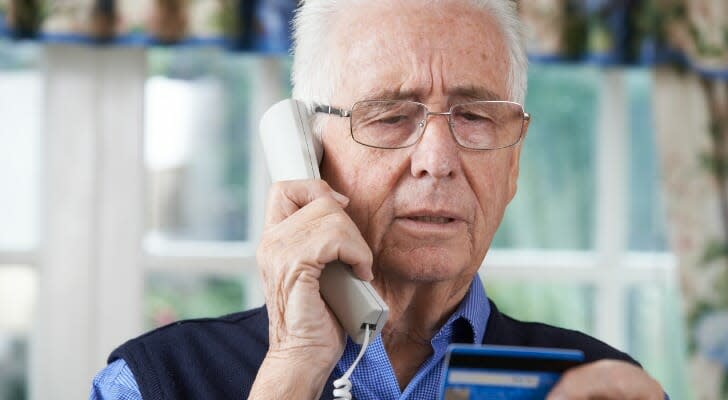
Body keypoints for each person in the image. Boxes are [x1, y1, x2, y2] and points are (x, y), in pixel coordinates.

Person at [90, 1, 667, 399]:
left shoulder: (603, 388)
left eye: (474, 116)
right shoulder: (153, 382)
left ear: (512, 165)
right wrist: (292, 370)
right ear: (309, 156)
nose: (437, 160)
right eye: (391, 116)